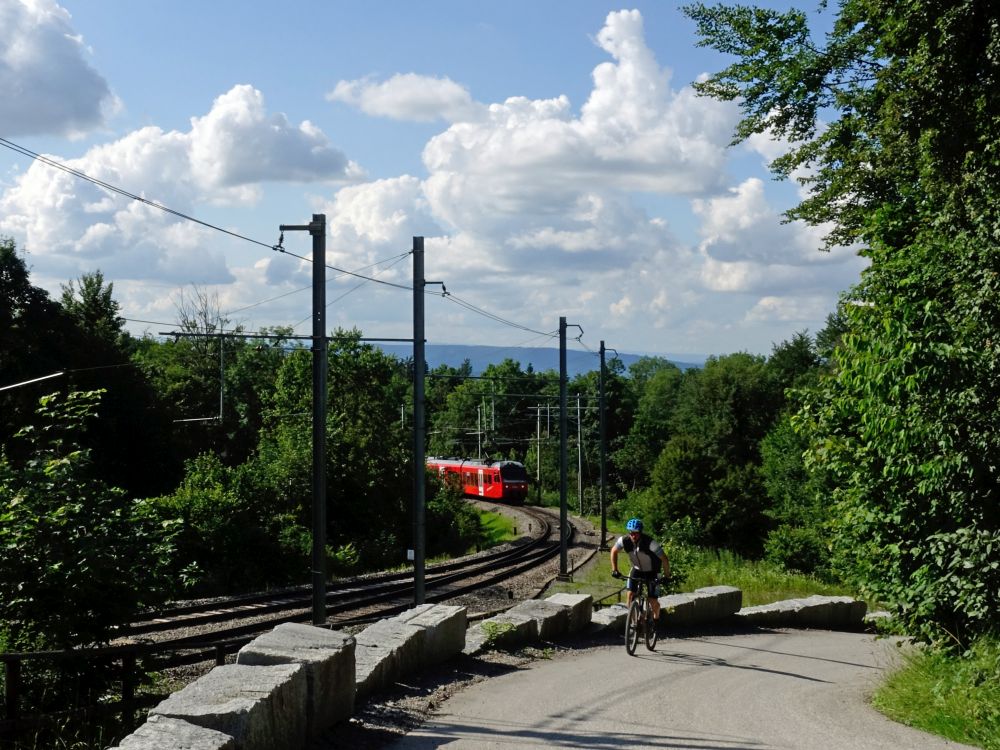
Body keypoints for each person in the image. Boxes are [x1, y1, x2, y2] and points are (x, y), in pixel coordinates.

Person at [610, 518, 671, 622]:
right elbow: (613, 551)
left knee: (652, 601)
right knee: (629, 595)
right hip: (637, 570)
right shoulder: (624, 540)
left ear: (641, 532)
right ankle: (634, 623)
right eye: (631, 533)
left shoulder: (650, 543)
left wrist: (666, 576)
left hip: (653, 572)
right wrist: (615, 569)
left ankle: (656, 619)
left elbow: (664, 559)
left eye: (636, 533)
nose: (633, 536)